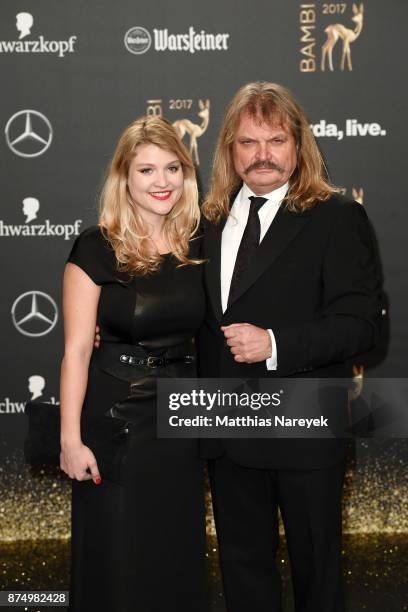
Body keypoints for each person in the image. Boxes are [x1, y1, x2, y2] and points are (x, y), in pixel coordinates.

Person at [198, 82, 382, 612]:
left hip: (304, 427)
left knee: (316, 575)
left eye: (275, 141)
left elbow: (361, 325)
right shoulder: (206, 221)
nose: (262, 155)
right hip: (227, 428)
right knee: (242, 570)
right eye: (248, 142)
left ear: (298, 147)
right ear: (229, 151)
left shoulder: (336, 217)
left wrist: (276, 343)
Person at [59, 116, 208, 612]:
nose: (161, 181)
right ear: (124, 177)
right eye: (146, 170)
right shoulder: (95, 247)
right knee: (118, 550)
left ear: (187, 174)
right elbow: (78, 350)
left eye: (172, 168)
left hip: (183, 415)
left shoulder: (200, 245)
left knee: (174, 547)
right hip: (118, 416)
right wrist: (69, 440)